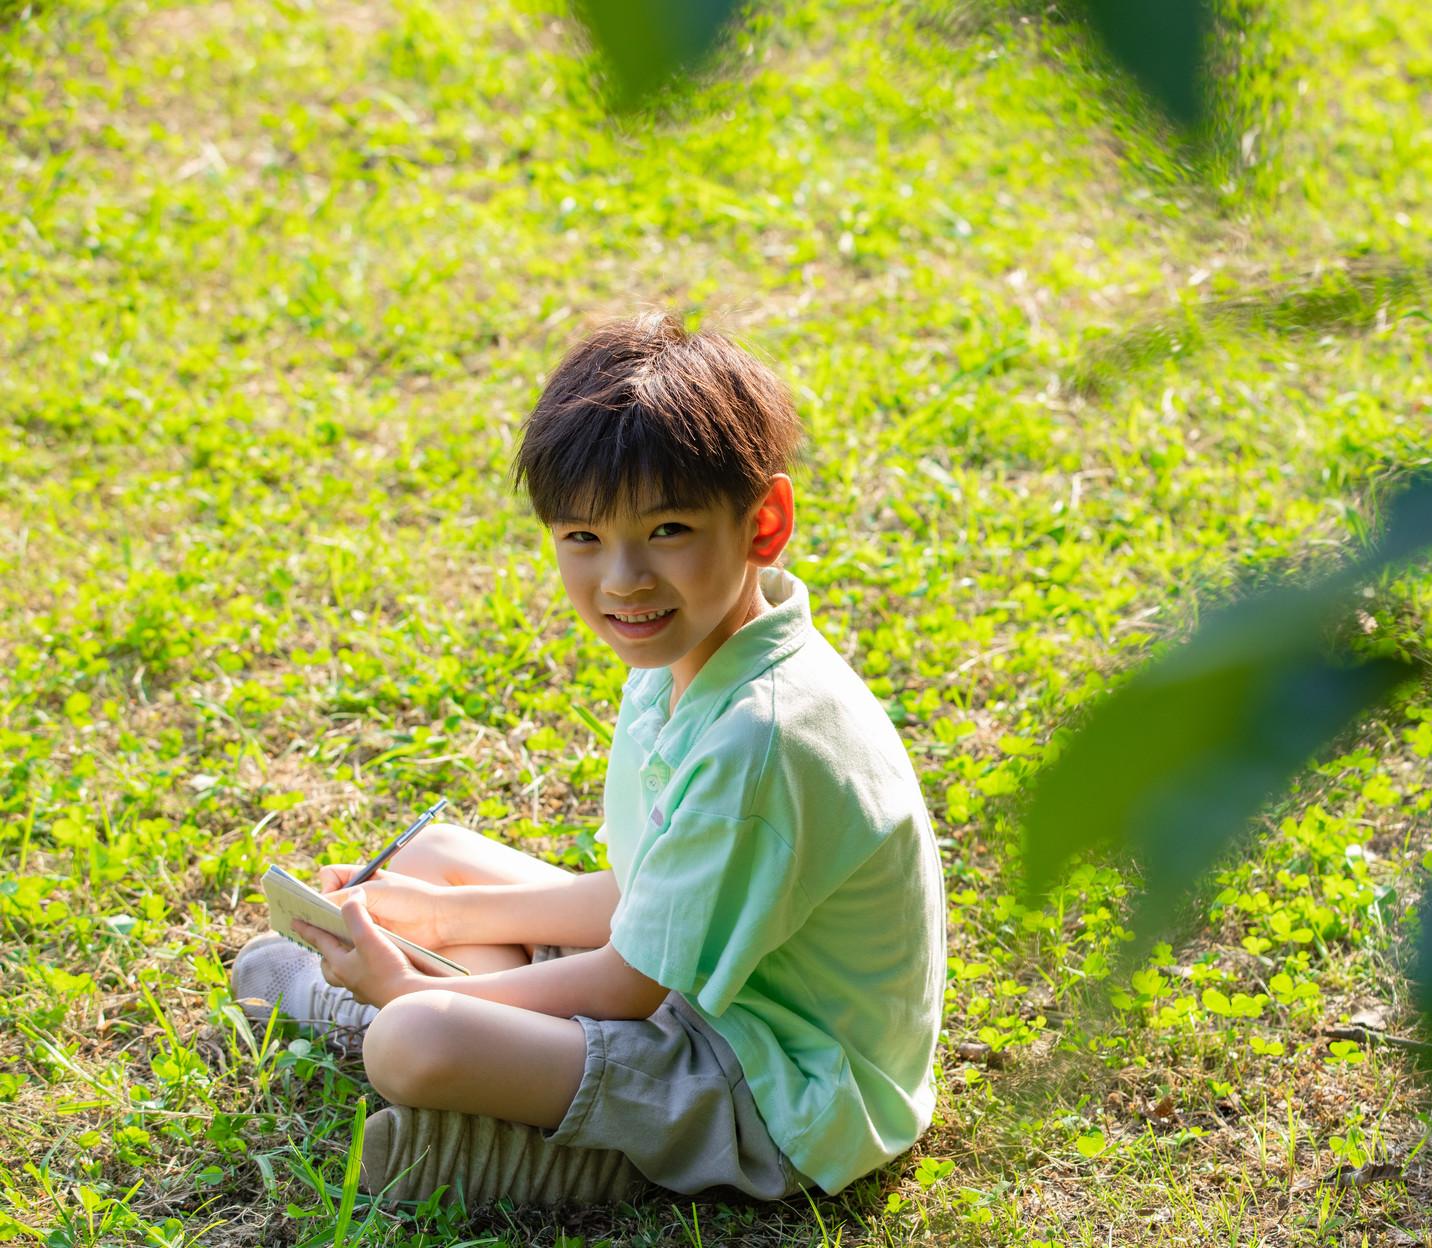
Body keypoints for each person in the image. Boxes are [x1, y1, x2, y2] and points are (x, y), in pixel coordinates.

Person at [231, 309, 948, 1206]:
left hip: (781, 1090)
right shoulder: (691, 655)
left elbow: (628, 982)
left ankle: (557, 1141)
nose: (623, 580)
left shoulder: (761, 738)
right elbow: (642, 894)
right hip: (701, 989)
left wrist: (406, 987)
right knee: (438, 859)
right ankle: (473, 1041)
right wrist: (439, 918)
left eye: (669, 530)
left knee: (414, 1042)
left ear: (764, 522)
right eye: (583, 539)